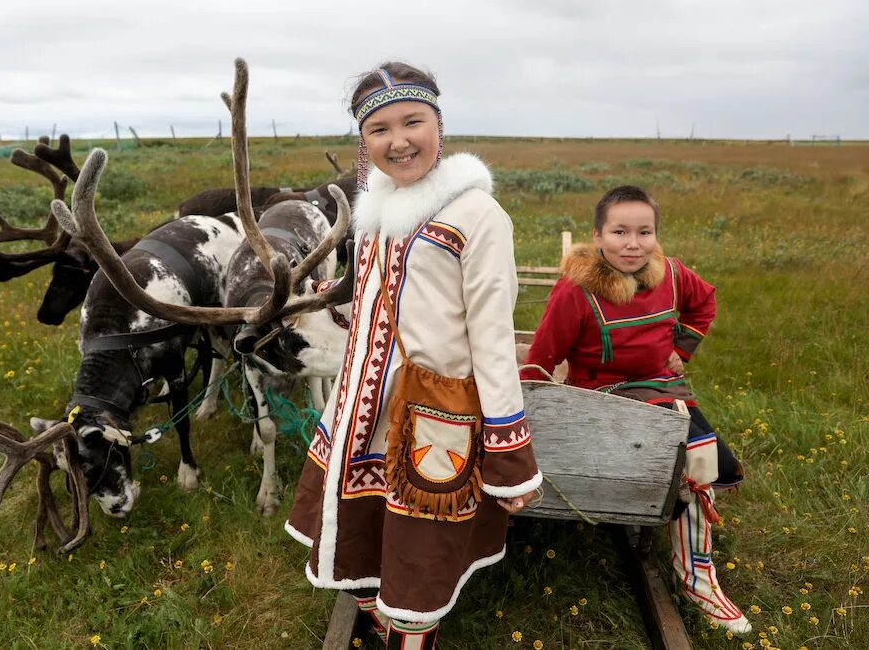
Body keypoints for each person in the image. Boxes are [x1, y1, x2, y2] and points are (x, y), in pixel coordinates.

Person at [285, 62, 542, 649]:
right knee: (365, 534)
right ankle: (376, 610)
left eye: (412, 122)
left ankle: (409, 637)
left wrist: (509, 451)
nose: (398, 141)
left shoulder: (477, 215)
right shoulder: (375, 211)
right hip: (361, 406)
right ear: (364, 140)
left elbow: (494, 337)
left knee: (420, 555)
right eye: (379, 129)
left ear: (438, 124)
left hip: (432, 412)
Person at [520, 185, 750, 634]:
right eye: (620, 231)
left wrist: (683, 347)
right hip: (601, 396)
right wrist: (528, 420)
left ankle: (696, 579)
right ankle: (692, 565)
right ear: (598, 235)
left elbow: (705, 301)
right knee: (689, 457)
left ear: (655, 235)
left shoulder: (673, 275)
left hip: (662, 386)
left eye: (644, 232)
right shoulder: (576, 291)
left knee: (705, 461)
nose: (632, 243)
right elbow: (543, 355)